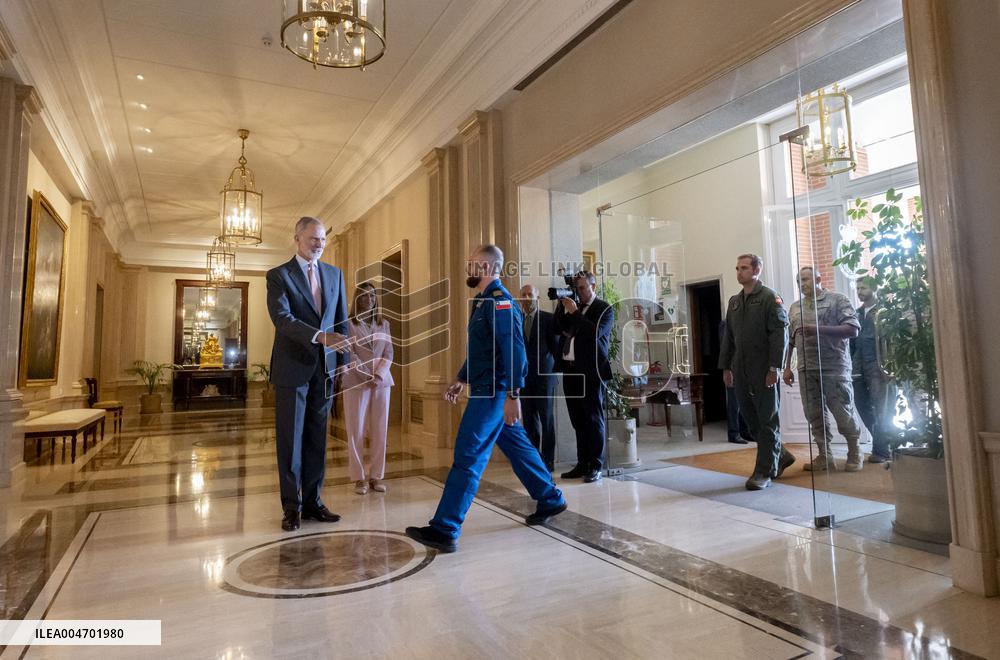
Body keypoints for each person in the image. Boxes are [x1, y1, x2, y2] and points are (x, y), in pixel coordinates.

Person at [406, 245, 566, 554]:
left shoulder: (500, 302)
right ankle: (550, 498)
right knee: (518, 447)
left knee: (468, 454)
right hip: (484, 387)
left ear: (487, 267)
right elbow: (483, 352)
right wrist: (461, 378)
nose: (468, 268)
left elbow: (514, 350)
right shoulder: (481, 303)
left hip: (494, 393)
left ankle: (445, 528)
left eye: (472, 264)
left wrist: (513, 395)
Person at [266, 216, 348, 532]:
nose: (319, 244)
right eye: (314, 238)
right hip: (292, 368)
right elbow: (282, 319)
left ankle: (313, 502)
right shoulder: (278, 276)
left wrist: (341, 364)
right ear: (297, 238)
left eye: (323, 239)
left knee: (317, 438)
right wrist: (319, 336)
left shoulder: (334, 274)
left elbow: (340, 323)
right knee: (290, 440)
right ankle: (291, 507)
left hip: (325, 370)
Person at [720, 254, 795, 490]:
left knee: (767, 420)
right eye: (737, 268)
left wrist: (775, 368)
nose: (739, 272)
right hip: (740, 369)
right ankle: (780, 455)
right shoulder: (734, 302)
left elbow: (779, 336)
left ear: (757, 270)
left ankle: (764, 471)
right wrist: (725, 367)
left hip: (764, 369)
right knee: (751, 421)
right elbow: (728, 339)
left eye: (743, 268)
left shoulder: (770, 298)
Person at [783, 267, 863, 472]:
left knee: (842, 411)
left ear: (819, 278)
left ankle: (854, 452)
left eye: (806, 279)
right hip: (806, 368)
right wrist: (787, 367)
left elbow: (852, 330)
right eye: (799, 280)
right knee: (814, 414)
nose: (802, 284)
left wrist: (817, 330)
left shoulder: (837, 300)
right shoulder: (794, 308)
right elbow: (790, 340)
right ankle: (824, 456)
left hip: (834, 366)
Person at [553, 271, 614, 483]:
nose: (578, 292)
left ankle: (596, 465)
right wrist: (562, 307)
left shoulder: (604, 308)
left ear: (593, 287)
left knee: (593, 418)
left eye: (582, 288)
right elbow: (557, 327)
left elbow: (593, 333)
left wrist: (576, 312)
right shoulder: (573, 309)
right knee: (577, 419)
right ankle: (582, 463)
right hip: (571, 370)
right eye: (576, 288)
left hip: (592, 371)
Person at [342, 281, 394, 495]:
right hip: (356, 380)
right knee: (356, 430)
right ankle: (359, 478)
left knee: (380, 430)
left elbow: (389, 352)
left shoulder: (384, 323)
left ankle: (376, 476)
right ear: (357, 299)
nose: (368, 299)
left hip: (382, 381)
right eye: (363, 296)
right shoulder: (348, 324)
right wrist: (366, 374)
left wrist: (379, 374)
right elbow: (349, 352)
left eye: (372, 296)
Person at [851, 276, 895, 464]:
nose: (859, 291)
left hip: (879, 366)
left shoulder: (886, 312)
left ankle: (882, 450)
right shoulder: (856, 313)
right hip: (858, 366)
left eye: (863, 287)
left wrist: (891, 367)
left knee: (882, 409)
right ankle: (884, 444)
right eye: (857, 287)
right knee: (861, 405)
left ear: (875, 288)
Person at [518, 284, 561, 472]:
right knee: (529, 421)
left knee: (547, 420)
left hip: (544, 378)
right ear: (520, 299)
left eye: (531, 294)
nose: (527, 298)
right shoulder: (516, 319)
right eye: (524, 295)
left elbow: (556, 349)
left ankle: (548, 460)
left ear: (537, 298)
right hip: (524, 379)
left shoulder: (548, 319)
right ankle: (534, 459)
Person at [719, 320, 754, 445]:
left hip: (745, 368)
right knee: (734, 404)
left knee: (745, 402)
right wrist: (727, 368)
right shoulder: (727, 323)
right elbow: (725, 348)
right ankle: (733, 434)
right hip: (733, 368)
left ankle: (745, 432)